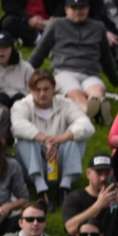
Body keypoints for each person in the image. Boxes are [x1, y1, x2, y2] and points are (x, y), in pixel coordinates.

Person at [11, 69, 96, 205]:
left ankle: (64, 188)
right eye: (37, 90)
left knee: (76, 134)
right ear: (31, 90)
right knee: (24, 139)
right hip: (31, 170)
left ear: (54, 88)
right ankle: (41, 190)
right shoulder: (21, 105)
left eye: (46, 89)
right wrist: (44, 139)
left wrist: (61, 139)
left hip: (60, 166)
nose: (42, 94)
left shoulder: (65, 103)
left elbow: (87, 126)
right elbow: (17, 126)